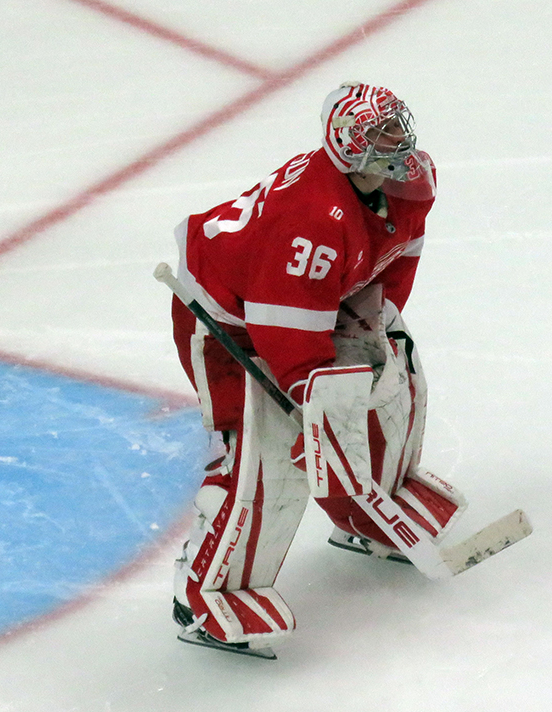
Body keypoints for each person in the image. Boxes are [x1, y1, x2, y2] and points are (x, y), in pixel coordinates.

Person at [169, 81, 465, 658]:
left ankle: (365, 514)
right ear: (347, 145)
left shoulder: (410, 180)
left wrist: (374, 320)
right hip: (227, 317)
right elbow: (283, 326)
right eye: (378, 135)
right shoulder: (310, 222)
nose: (395, 143)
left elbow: (399, 252)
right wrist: (310, 397)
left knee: (393, 375)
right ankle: (201, 591)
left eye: (396, 128)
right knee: (262, 450)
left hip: (316, 297)